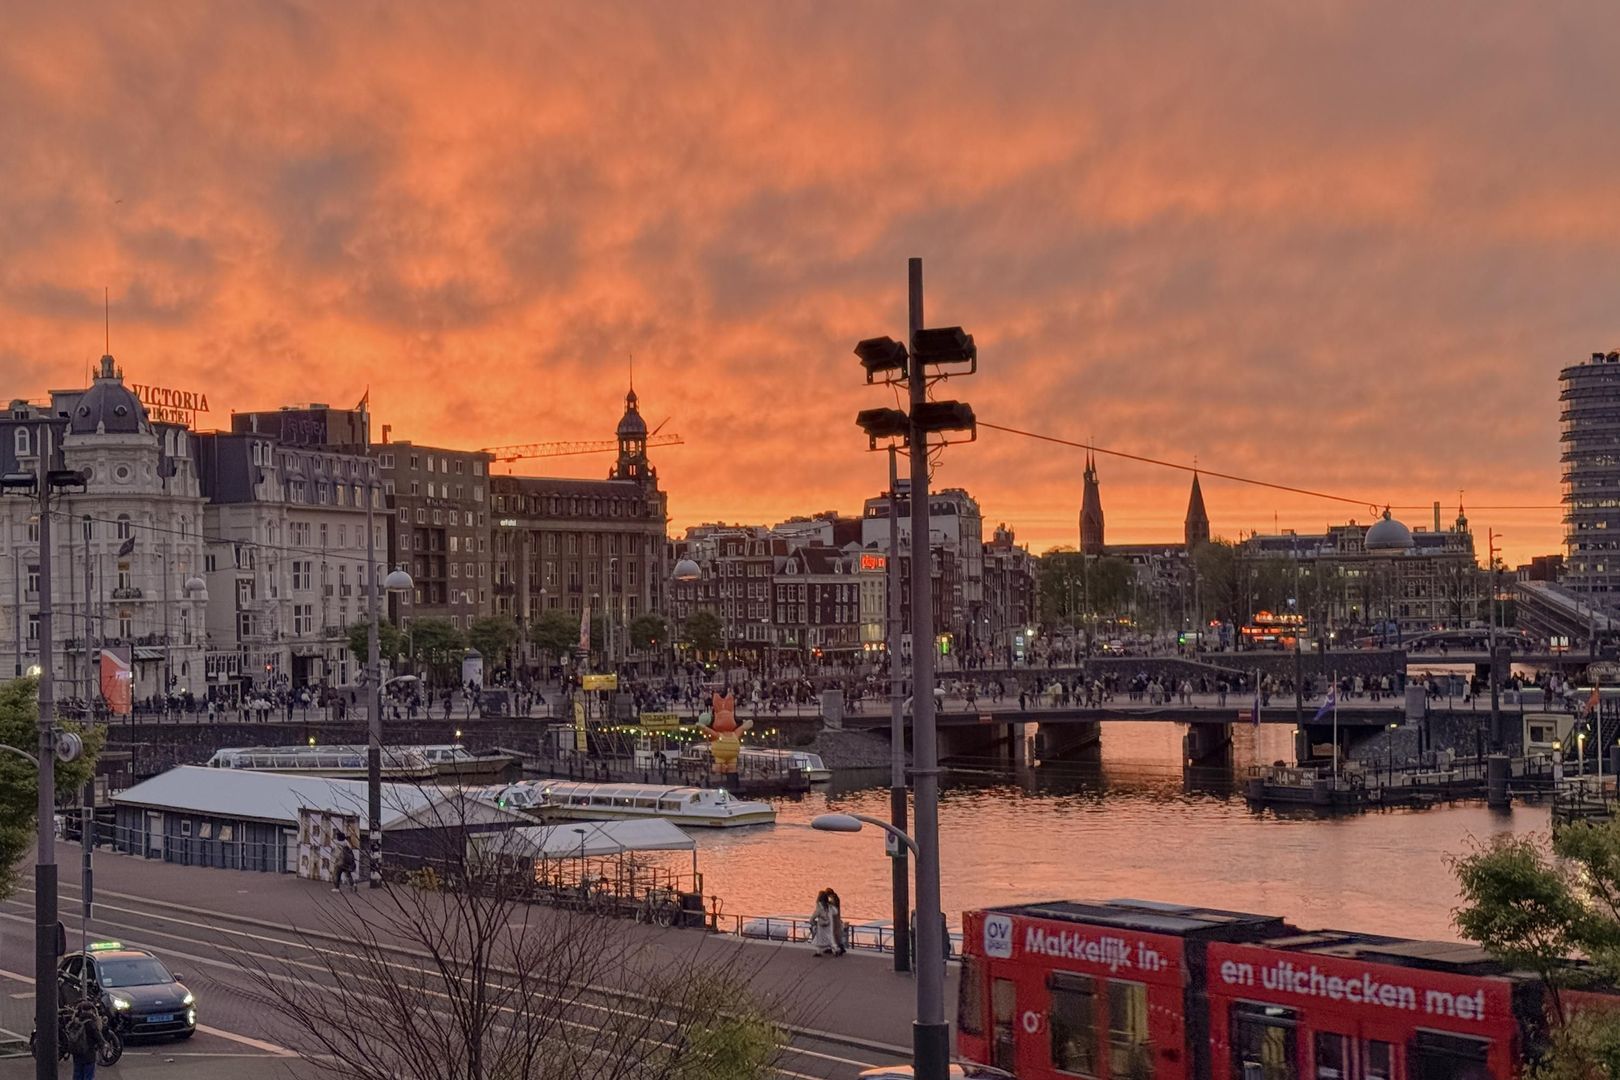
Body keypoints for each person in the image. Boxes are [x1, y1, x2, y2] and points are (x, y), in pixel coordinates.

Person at [64, 996, 105, 1080]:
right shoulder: (91, 1023)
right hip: (89, 1054)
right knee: (88, 1075)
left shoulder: (75, 1022)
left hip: (77, 1053)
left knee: (77, 1074)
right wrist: (102, 1046)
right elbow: (99, 1038)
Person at [808, 889, 839, 956]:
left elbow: (812, 918)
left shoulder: (819, 908)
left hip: (821, 927)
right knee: (830, 938)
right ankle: (835, 950)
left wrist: (813, 923)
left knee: (820, 939)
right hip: (829, 926)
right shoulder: (830, 907)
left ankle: (818, 952)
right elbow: (836, 912)